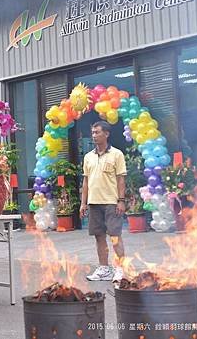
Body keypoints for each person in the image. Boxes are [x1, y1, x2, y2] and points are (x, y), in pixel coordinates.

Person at [80, 121, 127, 283]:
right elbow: (85, 182)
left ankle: (120, 269)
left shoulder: (117, 154)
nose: (94, 136)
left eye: (97, 132)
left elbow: (121, 180)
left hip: (111, 202)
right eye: (92, 133)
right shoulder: (88, 157)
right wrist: (83, 203)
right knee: (99, 236)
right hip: (94, 203)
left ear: (106, 134)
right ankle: (104, 269)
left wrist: (121, 201)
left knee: (115, 236)